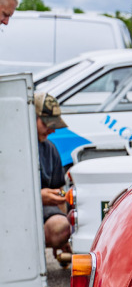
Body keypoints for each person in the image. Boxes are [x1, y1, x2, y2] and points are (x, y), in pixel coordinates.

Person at [35, 92, 72, 253]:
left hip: (46, 213)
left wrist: (66, 235)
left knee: (63, 225)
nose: (52, 130)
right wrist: (37, 197)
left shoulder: (50, 148)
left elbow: (60, 191)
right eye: (46, 124)